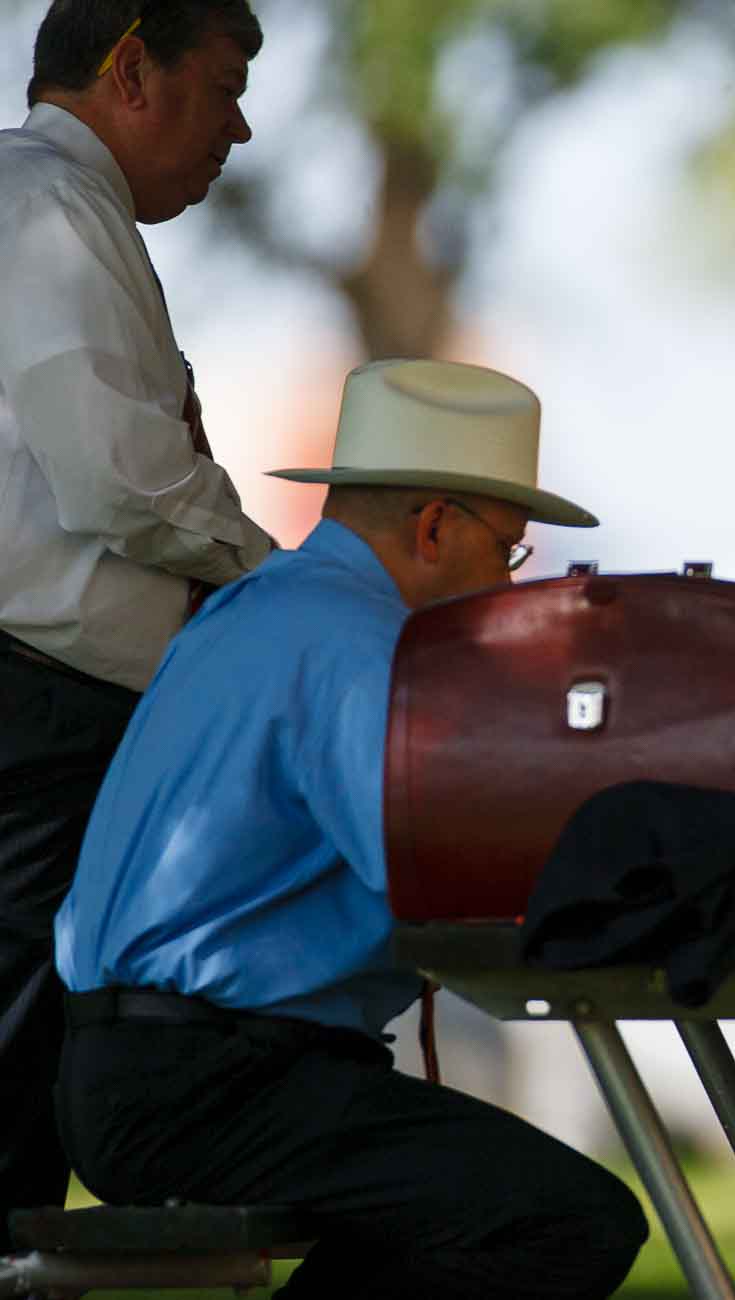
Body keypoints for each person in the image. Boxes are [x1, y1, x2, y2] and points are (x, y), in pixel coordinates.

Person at [52, 358, 648, 1300]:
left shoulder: (263, 610)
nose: (505, 584)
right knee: (566, 1218)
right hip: (212, 1082)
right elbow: (443, 875)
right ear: (436, 526)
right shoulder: (359, 645)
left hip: (158, 1068)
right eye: (507, 551)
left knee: (477, 1216)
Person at [0, 0, 277, 1238]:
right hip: (35, 710)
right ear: (129, 69)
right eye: (222, 87)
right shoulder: (47, 209)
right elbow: (119, 478)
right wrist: (276, 585)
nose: (242, 127)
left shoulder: (52, 209)